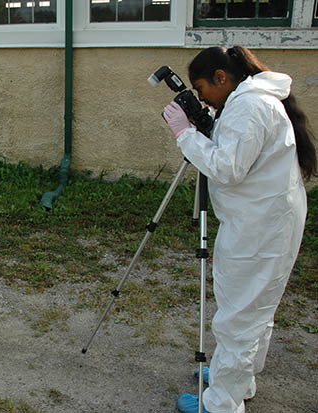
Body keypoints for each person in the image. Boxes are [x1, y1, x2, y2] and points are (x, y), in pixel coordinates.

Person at [163, 46, 317, 413]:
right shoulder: (250, 101)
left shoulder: (250, 106)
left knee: (239, 317)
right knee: (254, 311)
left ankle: (220, 404)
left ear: (221, 77)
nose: (201, 97)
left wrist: (185, 134)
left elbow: (228, 168)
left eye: (202, 88)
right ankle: (237, 380)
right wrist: (206, 127)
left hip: (260, 226)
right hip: (265, 220)